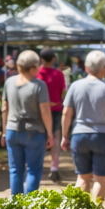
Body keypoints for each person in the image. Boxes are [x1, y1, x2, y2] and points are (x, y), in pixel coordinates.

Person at [62, 50, 105, 200]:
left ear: (87, 68)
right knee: (101, 179)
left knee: (82, 178)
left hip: (79, 135)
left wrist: (65, 136)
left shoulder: (75, 86)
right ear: (104, 68)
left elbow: (66, 113)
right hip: (103, 137)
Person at [1, 49, 53, 196]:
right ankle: (29, 205)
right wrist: (49, 133)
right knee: (34, 170)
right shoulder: (39, 85)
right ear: (32, 68)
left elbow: (4, 108)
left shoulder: (9, 82)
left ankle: (16, 206)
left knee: (15, 170)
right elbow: (45, 111)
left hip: (12, 130)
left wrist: (4, 132)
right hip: (34, 132)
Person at [38, 49, 67, 183]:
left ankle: (35, 166)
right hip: (55, 109)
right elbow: (63, 92)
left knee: (39, 137)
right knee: (55, 137)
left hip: (39, 109)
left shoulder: (37, 74)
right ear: (53, 59)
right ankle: (54, 168)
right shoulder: (59, 74)